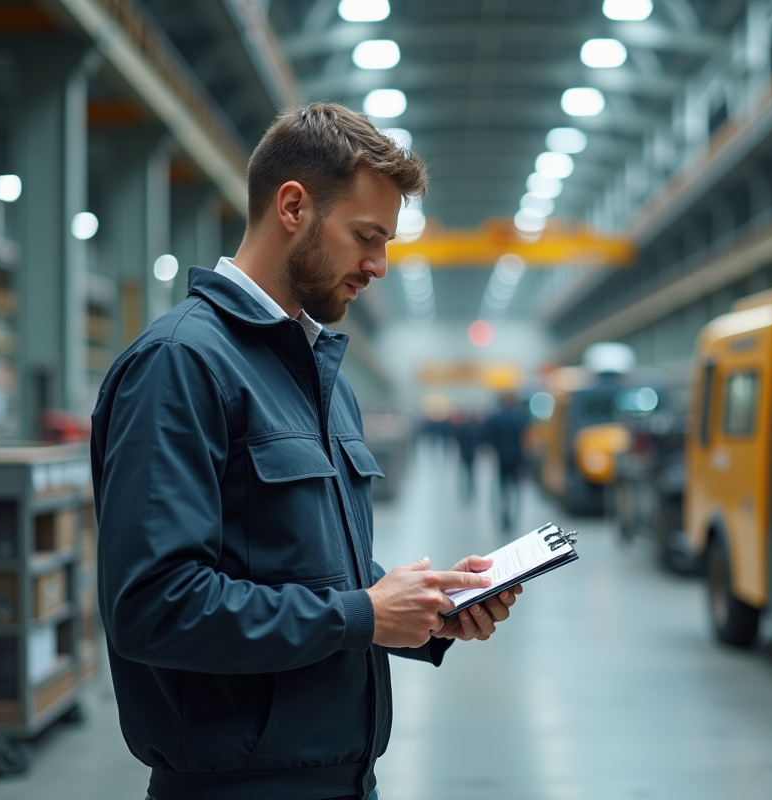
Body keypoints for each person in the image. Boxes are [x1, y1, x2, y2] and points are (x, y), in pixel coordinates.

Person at [91, 103, 523, 800]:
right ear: (293, 205)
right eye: (365, 236)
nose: (378, 266)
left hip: (344, 781)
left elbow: (298, 568)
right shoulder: (181, 364)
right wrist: (361, 614)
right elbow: (154, 605)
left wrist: (422, 609)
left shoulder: (320, 378)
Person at [483, 391, 530, 531]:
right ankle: (514, 516)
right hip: (517, 457)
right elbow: (525, 438)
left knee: (503, 488)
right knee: (517, 488)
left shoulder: (495, 418)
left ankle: (505, 514)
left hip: (501, 457)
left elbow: (489, 439)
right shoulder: (520, 417)